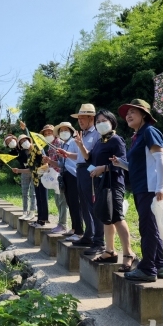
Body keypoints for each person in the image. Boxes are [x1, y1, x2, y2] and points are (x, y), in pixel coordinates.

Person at [112, 99, 163, 282]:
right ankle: (159, 265)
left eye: (133, 112)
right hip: (141, 187)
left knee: (148, 228)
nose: (128, 115)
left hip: (150, 188)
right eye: (127, 113)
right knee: (151, 226)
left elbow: (160, 158)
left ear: (144, 114)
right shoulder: (137, 136)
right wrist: (120, 163)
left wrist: (161, 186)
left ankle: (148, 269)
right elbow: (137, 166)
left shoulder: (149, 131)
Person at [82, 110, 136, 268]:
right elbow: (89, 159)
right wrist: (80, 146)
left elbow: (122, 163)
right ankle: (109, 251)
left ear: (112, 122)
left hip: (114, 183)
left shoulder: (116, 140)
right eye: (97, 122)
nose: (100, 124)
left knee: (117, 218)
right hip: (101, 184)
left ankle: (128, 253)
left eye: (104, 120)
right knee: (106, 218)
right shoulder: (100, 142)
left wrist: (103, 168)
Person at [57, 104, 103, 255]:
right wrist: (67, 154)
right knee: (84, 205)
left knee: (93, 205)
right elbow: (80, 156)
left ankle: (98, 239)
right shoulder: (82, 134)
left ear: (91, 118)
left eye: (83, 117)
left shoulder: (97, 133)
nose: (80, 121)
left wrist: (81, 147)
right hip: (80, 169)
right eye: (79, 118)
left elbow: (91, 157)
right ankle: (88, 235)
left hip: (90, 170)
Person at [50, 122, 84, 241]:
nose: (63, 132)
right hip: (65, 175)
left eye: (66, 130)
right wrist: (50, 161)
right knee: (70, 202)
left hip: (74, 174)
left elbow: (81, 157)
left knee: (75, 203)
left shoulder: (75, 142)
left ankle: (79, 231)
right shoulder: (63, 145)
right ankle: (74, 228)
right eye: (61, 130)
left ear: (71, 131)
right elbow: (60, 164)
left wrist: (67, 155)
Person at [12, 132, 49, 227]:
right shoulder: (28, 154)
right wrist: (19, 170)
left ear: (29, 140)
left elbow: (45, 162)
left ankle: (43, 220)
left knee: (43, 198)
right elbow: (31, 169)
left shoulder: (37, 147)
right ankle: (39, 219)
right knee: (39, 198)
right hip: (35, 178)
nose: (24, 142)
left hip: (42, 176)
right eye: (21, 142)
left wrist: (43, 171)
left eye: (25, 140)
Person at [40, 124, 69, 234]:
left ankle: (63, 224)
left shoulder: (59, 144)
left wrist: (50, 162)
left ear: (54, 133)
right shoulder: (50, 145)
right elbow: (52, 162)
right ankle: (60, 223)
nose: (47, 135)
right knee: (57, 201)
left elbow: (62, 163)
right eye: (45, 133)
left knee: (62, 201)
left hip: (61, 176)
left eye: (49, 132)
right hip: (53, 177)